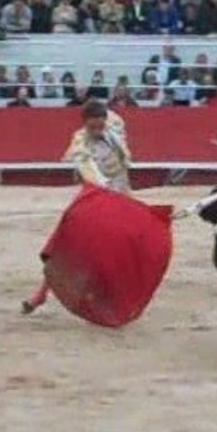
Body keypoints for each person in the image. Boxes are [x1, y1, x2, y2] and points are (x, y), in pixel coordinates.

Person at [22, 100, 131, 314]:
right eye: (93, 127)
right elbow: (90, 171)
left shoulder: (115, 124)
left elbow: (120, 144)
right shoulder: (80, 142)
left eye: (101, 125)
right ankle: (42, 292)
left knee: (114, 250)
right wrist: (103, 189)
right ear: (85, 125)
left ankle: (108, 293)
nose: (98, 131)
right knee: (68, 245)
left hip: (122, 198)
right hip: (95, 197)